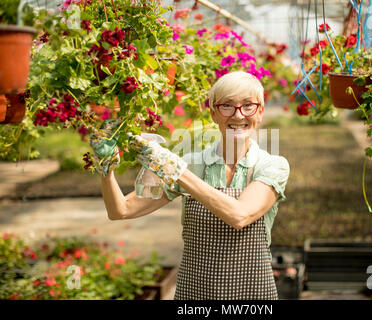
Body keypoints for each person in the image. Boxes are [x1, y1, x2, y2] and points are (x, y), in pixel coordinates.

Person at [96, 71, 290, 300]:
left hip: (253, 295)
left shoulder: (273, 166)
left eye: (248, 106)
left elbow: (239, 216)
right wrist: (105, 170)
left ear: (261, 112)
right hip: (196, 294)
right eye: (227, 106)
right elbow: (121, 210)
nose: (238, 116)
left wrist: (177, 171)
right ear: (213, 114)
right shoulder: (191, 165)